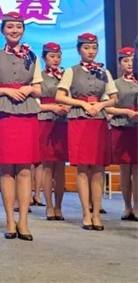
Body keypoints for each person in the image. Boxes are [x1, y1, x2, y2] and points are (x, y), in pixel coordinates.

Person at [0, 11, 42, 241]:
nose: (14, 30)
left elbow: (39, 89)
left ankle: (23, 221)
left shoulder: (32, 56)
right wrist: (6, 90)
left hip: (27, 113)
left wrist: (29, 89)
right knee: (6, 169)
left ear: (23, 30)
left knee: (24, 169)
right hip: (3, 113)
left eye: (18, 27)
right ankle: (9, 220)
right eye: (10, 27)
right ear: (2, 30)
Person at [55, 33, 118, 231]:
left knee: (98, 169)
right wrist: (82, 103)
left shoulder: (104, 71)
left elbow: (114, 98)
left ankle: (97, 213)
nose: (91, 51)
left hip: (98, 121)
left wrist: (100, 105)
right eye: (86, 48)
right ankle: (85, 214)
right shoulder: (71, 71)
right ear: (79, 49)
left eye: (94, 48)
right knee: (82, 168)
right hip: (79, 120)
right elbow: (60, 96)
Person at [37, 42, 69, 220]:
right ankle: (49, 205)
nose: (55, 59)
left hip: (63, 123)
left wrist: (67, 106)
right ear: (44, 58)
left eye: (58, 56)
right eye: (52, 56)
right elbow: (34, 104)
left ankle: (59, 206)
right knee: (47, 166)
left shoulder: (67, 76)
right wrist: (52, 107)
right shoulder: (39, 77)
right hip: (45, 122)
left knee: (61, 167)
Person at [106, 47, 138, 221]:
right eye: (125, 61)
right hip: (122, 127)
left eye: (132, 60)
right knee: (125, 169)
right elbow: (108, 107)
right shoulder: (115, 84)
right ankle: (127, 207)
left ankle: (137, 207)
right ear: (119, 64)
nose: (129, 64)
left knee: (137, 169)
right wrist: (126, 111)